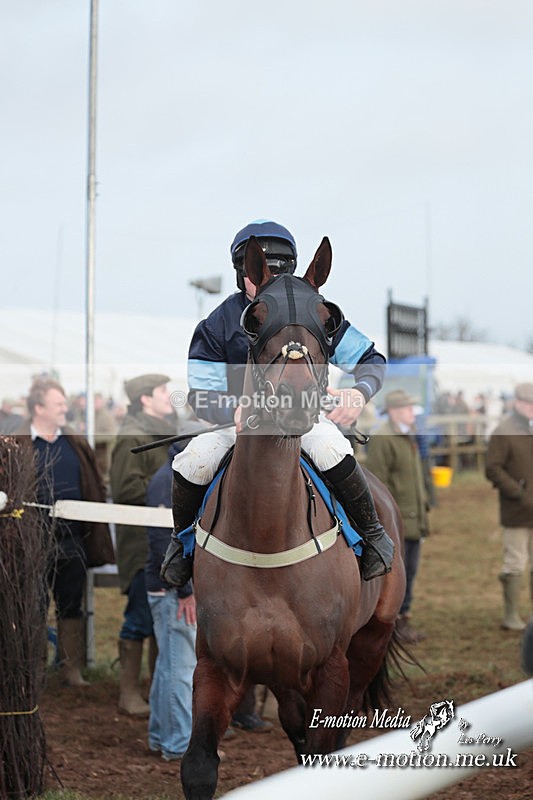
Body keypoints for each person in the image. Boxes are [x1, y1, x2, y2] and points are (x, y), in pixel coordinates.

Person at [161, 219, 394, 590]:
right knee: (194, 460)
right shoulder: (218, 323)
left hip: (306, 419)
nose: (269, 280)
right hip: (240, 426)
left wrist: (358, 392)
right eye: (258, 272)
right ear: (244, 274)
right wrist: (230, 411)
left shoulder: (316, 313)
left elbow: (370, 359)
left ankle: (373, 536)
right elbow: (198, 393)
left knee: (334, 449)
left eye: (280, 270)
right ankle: (182, 545)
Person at [15, 377, 114, 685]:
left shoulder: (74, 442)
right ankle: (33, 670)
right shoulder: (16, 443)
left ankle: (71, 669)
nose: (65, 408)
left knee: (72, 606)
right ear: (39, 407)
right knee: (31, 607)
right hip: (29, 543)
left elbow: (94, 483)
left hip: (72, 541)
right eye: (58, 404)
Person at [109, 374, 177, 716]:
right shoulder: (132, 436)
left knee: (158, 621)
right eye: (163, 391)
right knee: (138, 618)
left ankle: (153, 689)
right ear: (146, 399)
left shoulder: (161, 430)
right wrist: (167, 487)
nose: (170, 396)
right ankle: (129, 694)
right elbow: (124, 489)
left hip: (161, 542)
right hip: (141, 545)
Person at [364, 389, 430, 644]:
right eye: (407, 408)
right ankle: (394, 624)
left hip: (414, 516)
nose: (412, 412)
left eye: (412, 408)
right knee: (398, 574)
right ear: (392, 411)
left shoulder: (408, 435)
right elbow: (378, 483)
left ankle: (404, 619)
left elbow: (415, 477)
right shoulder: (384, 438)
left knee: (410, 571)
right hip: (397, 519)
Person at [145, 441, 197, 761]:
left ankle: (160, 736)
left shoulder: (168, 477)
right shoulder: (171, 481)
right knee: (180, 666)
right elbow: (162, 540)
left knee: (168, 665)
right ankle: (178, 744)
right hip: (171, 591)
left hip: (164, 588)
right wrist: (185, 589)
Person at [485, 382, 533, 631]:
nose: (531, 407)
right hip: (517, 510)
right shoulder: (504, 431)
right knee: (515, 563)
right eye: (527, 403)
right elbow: (492, 468)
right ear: (516, 403)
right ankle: (511, 615)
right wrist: (518, 491)